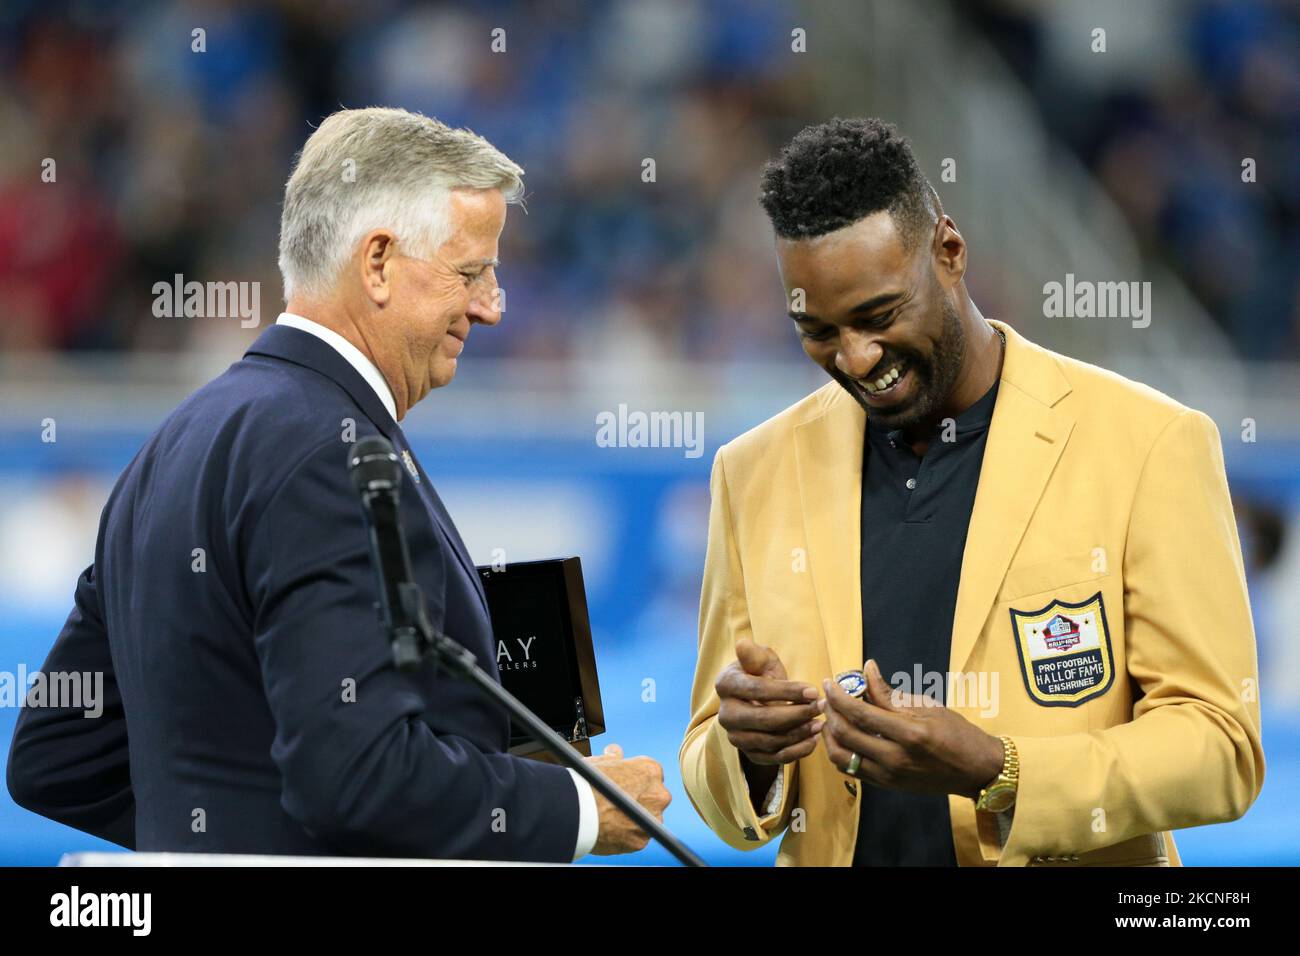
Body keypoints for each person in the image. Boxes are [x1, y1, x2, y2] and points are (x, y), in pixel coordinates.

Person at [7, 107, 669, 862]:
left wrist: (223, 829)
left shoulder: (172, 444)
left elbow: (56, 759)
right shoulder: (331, 452)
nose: (490, 306)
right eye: (471, 272)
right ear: (378, 261)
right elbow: (352, 777)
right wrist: (577, 808)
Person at [680, 117, 1264, 866]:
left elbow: (1222, 746)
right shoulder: (752, 470)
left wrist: (1000, 769)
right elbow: (712, 768)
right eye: (816, 329)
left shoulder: (1148, 443)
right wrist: (749, 754)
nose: (856, 358)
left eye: (878, 315)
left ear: (949, 252)